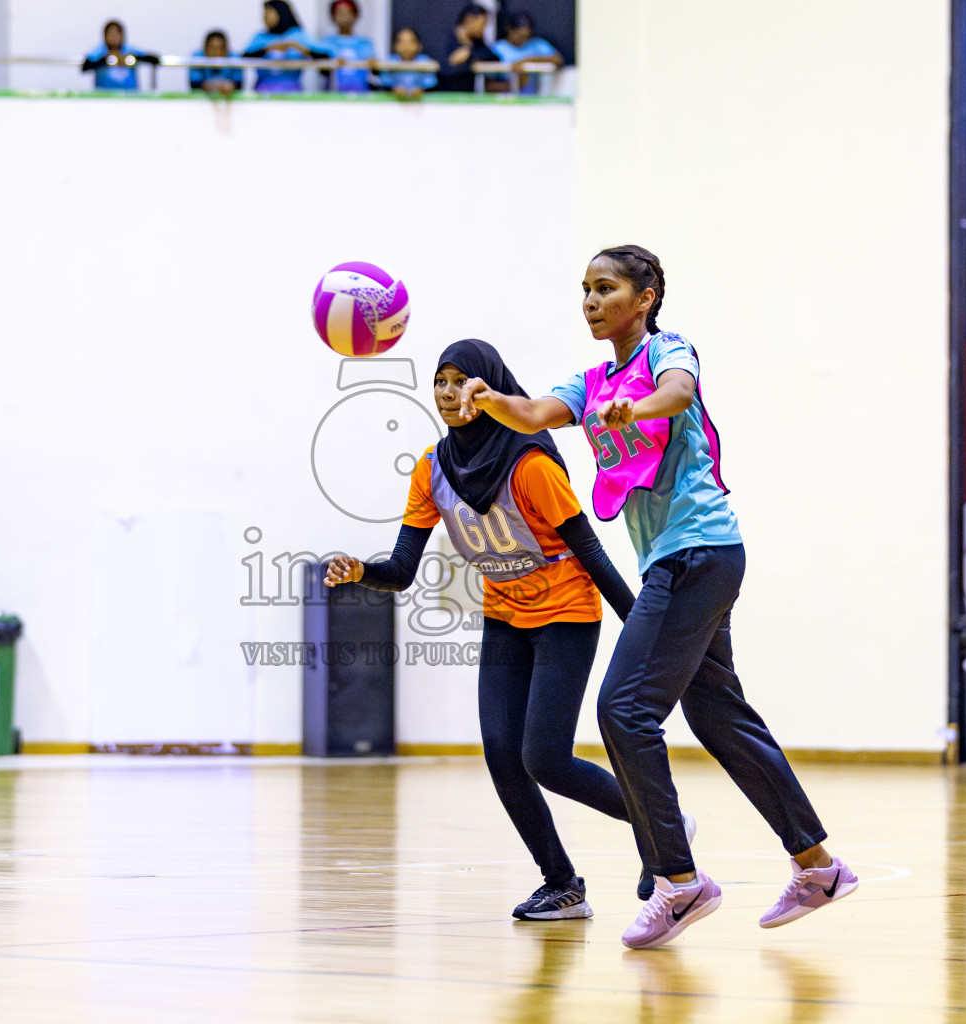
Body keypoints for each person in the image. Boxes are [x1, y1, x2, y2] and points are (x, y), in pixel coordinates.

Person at [458, 245, 857, 949]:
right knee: (720, 718)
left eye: (605, 288)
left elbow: (674, 396)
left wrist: (631, 408)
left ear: (644, 298)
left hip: (697, 554)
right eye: (584, 289)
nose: (590, 300)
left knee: (624, 708)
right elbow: (538, 411)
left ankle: (677, 880)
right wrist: (493, 401)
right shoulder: (590, 381)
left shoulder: (669, 352)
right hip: (684, 564)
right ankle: (818, 867)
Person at [325, 340, 688, 921]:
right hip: (505, 617)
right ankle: (562, 884)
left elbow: (590, 552)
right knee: (502, 754)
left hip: (566, 613)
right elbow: (400, 571)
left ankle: (662, 829)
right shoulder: (432, 467)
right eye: (440, 382)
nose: (450, 394)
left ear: (490, 387)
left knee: (544, 757)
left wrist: (641, 626)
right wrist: (360, 572)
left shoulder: (531, 464)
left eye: (463, 382)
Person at [242, 1, 329, 95]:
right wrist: (268, 49)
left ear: (281, 13)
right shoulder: (260, 37)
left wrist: (303, 50)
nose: (265, 17)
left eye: (270, 13)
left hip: (292, 91)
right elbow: (245, 56)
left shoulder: (297, 35)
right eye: (264, 13)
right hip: (263, 90)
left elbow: (325, 56)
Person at [489, 11, 561, 95]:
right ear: (509, 30)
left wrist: (527, 60)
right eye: (520, 36)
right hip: (506, 96)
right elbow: (489, 84)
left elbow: (558, 59)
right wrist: (518, 84)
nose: (523, 40)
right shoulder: (498, 48)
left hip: (536, 94)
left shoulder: (537, 44)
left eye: (526, 36)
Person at [435, 3, 497, 93]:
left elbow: (493, 57)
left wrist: (469, 54)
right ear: (469, 19)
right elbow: (442, 68)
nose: (483, 29)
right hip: (444, 97)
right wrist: (453, 62)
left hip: (467, 99)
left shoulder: (477, 43)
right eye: (482, 24)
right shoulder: (445, 40)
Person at [81, 19, 157, 92]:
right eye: (110, 34)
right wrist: (106, 60)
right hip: (104, 96)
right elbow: (85, 67)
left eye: (116, 34)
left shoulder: (129, 50)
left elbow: (153, 59)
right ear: (105, 36)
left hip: (130, 95)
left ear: (122, 35)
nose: (113, 37)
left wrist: (131, 58)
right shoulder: (100, 51)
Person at [320, 0, 374, 93]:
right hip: (334, 96)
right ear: (333, 17)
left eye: (348, 13)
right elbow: (321, 69)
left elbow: (375, 69)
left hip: (361, 96)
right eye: (340, 14)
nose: (344, 17)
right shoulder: (326, 42)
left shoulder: (364, 43)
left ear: (356, 16)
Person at [377, 26, 437, 100]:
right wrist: (393, 89)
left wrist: (422, 90)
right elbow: (385, 82)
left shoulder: (424, 61)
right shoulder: (390, 62)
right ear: (395, 46)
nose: (406, 46)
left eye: (411, 42)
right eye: (402, 42)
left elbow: (430, 83)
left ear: (419, 46)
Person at [189, 29, 244, 96]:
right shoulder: (198, 59)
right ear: (205, 48)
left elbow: (239, 85)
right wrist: (212, 86)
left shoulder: (234, 59)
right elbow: (195, 85)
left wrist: (231, 86)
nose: (216, 52)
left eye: (220, 48)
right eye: (212, 48)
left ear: (226, 49)